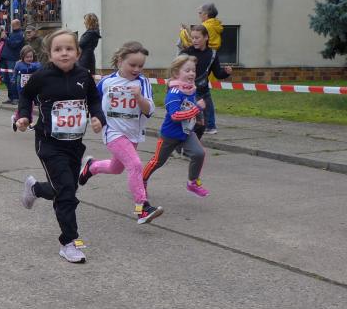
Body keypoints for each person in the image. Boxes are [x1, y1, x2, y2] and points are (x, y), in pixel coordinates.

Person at [16, 29, 105, 264]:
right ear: (49, 53)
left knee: (65, 189)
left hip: (74, 144)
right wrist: (24, 116)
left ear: (77, 52)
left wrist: (98, 117)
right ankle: (69, 242)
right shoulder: (42, 76)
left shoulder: (84, 75)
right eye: (58, 49)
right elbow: (25, 96)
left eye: (69, 49)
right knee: (66, 192)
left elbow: (94, 100)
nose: (64, 53)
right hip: (49, 143)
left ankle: (35, 189)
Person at [78, 42, 163, 224]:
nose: (137, 69)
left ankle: (91, 167)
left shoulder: (143, 83)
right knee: (135, 165)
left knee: (116, 168)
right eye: (132, 65)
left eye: (140, 66)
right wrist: (96, 119)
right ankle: (142, 207)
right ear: (119, 61)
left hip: (133, 133)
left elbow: (149, 110)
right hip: (113, 132)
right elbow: (93, 103)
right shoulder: (106, 82)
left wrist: (139, 97)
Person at [142, 55, 210, 198]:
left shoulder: (190, 89)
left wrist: (199, 118)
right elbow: (175, 116)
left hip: (186, 132)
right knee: (157, 162)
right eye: (187, 70)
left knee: (199, 153)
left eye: (193, 70)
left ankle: (192, 183)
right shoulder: (174, 94)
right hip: (170, 135)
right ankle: (140, 182)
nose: (191, 73)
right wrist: (197, 109)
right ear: (176, 73)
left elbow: (189, 105)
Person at [179, 25, 232, 136]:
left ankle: (207, 130)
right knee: (195, 118)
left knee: (209, 123)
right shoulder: (186, 53)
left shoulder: (212, 54)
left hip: (204, 89)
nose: (194, 40)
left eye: (197, 38)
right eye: (192, 38)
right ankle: (190, 134)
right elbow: (177, 71)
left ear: (206, 37)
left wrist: (226, 72)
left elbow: (218, 74)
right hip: (189, 90)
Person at [10, 45, 41, 131]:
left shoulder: (36, 65)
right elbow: (15, 73)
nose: (29, 59)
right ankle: (27, 122)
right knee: (25, 105)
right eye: (27, 57)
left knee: (30, 105)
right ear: (22, 57)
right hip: (22, 88)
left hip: (33, 88)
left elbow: (40, 70)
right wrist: (13, 79)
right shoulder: (19, 64)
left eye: (31, 56)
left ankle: (16, 118)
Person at [1, 19, 25, 104]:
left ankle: (16, 98)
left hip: (13, 59)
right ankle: (10, 97)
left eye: (13, 25)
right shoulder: (12, 33)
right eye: (12, 25)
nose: (12, 26)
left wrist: (6, 38)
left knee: (12, 79)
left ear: (18, 25)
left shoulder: (20, 34)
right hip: (6, 58)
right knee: (6, 79)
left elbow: (13, 45)